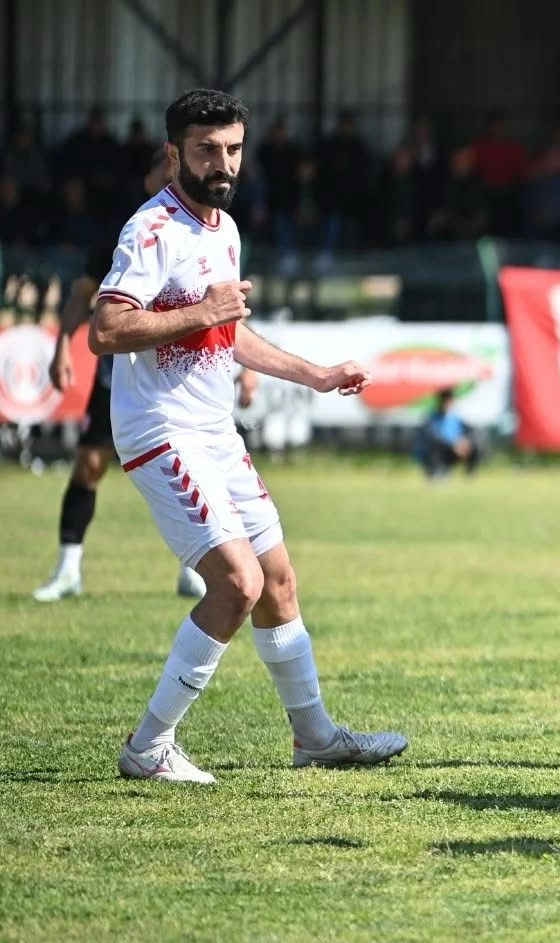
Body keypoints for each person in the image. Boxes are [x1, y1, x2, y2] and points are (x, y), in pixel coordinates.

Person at [89, 89, 407, 783]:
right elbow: (106, 330)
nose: (224, 163)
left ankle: (314, 737)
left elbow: (228, 330)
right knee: (238, 583)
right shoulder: (152, 230)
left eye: (233, 148)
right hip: (161, 430)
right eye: (207, 150)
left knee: (279, 581)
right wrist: (201, 311)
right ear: (174, 152)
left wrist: (316, 375)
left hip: (215, 431)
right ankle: (148, 746)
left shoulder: (224, 230)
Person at [34, 146, 256, 603]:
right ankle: (68, 569)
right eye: (167, 168)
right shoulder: (130, 229)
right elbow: (84, 295)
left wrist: (247, 368)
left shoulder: (211, 229)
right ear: (155, 173)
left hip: (186, 380)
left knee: (198, 471)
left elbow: (225, 310)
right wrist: (61, 347)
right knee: (90, 464)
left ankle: (195, 571)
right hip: (122, 375)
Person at [414, 387, 482, 477]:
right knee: (435, 448)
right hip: (438, 452)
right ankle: (437, 472)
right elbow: (434, 437)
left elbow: (469, 431)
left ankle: (470, 474)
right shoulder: (431, 418)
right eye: (445, 401)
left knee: (475, 445)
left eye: (449, 401)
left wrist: (465, 441)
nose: (447, 404)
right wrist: (453, 444)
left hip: (456, 449)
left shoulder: (455, 417)